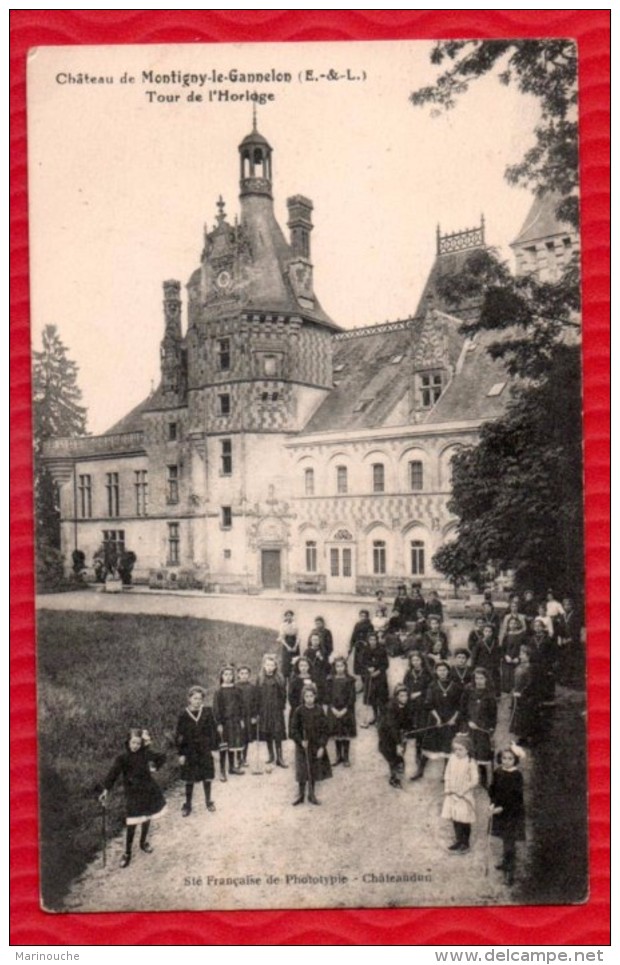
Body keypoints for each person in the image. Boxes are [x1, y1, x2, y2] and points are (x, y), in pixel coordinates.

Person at [99, 728, 166, 868]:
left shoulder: (146, 754)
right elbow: (113, 774)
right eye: (132, 742)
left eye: (138, 743)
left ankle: (143, 842)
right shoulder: (122, 758)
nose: (135, 746)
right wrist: (106, 789)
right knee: (132, 822)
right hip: (133, 794)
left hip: (148, 791)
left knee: (147, 818)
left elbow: (162, 757)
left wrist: (155, 767)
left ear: (141, 743)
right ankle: (127, 852)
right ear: (128, 742)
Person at [175, 685, 218, 815]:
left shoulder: (207, 712)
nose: (197, 701)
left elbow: (213, 731)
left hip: (204, 749)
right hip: (190, 751)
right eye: (195, 698)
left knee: (207, 776)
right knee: (190, 778)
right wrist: (181, 753)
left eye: (200, 698)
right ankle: (187, 804)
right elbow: (179, 736)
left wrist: (214, 748)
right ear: (189, 699)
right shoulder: (183, 714)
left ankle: (208, 801)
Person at [289, 682, 332, 805]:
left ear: (315, 696)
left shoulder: (319, 710)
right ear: (303, 697)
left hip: (315, 745)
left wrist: (322, 746)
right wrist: (300, 741)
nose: (309, 699)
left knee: (313, 769)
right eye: (306, 696)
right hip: (303, 746)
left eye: (311, 696)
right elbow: (293, 729)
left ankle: (311, 794)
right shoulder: (299, 711)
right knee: (302, 770)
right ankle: (301, 794)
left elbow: (325, 730)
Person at [489, 744, 526, 885]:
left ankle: (510, 872)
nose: (506, 761)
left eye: (510, 759)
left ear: (515, 760)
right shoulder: (498, 772)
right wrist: (492, 802)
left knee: (510, 841)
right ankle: (505, 863)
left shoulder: (517, 776)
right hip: (499, 810)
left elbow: (515, 798)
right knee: (505, 839)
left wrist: (502, 808)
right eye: (504, 758)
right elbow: (492, 789)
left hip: (512, 813)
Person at [419, 661, 462, 777]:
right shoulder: (432, 686)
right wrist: (437, 719)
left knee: (448, 745)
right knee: (429, 743)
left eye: (444, 670)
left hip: (450, 720)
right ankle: (420, 770)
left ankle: (446, 772)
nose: (442, 672)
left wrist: (454, 719)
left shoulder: (456, 686)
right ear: (436, 672)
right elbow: (429, 704)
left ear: (448, 671)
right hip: (435, 718)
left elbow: (460, 705)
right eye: (439, 670)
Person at [441, 735, 479, 854]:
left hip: (464, 795)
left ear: (467, 749)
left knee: (464, 819)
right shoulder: (452, 758)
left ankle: (465, 842)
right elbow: (447, 773)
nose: (457, 752)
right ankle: (458, 840)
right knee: (455, 818)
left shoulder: (470, 762)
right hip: (452, 793)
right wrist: (447, 787)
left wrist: (463, 791)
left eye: (460, 749)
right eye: (455, 749)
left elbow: (475, 780)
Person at [461, 667, 497, 788]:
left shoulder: (490, 694)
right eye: (477, 678)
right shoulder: (469, 691)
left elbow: (493, 714)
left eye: (481, 678)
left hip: (483, 728)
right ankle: (469, 777)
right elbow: (463, 708)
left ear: (486, 679)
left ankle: (484, 778)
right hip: (471, 726)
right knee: (470, 750)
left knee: (483, 752)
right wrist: (468, 722)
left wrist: (491, 728)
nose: (479, 680)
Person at [403, 650, 432, 779]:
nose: (416, 662)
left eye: (418, 660)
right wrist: (409, 694)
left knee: (421, 733)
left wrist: (420, 693)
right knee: (410, 732)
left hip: (423, 707)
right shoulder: (409, 674)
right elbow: (404, 688)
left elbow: (431, 688)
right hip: (411, 707)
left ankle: (420, 760)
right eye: (413, 660)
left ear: (422, 661)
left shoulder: (427, 674)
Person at [213, 665, 245, 781]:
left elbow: (241, 705)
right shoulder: (219, 692)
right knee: (224, 746)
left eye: (230, 674)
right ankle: (222, 771)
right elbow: (216, 709)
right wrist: (219, 723)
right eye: (225, 674)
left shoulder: (237, 690)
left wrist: (241, 719)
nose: (228, 677)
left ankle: (232, 767)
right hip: (225, 722)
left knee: (233, 745)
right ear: (221, 676)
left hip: (235, 721)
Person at [378, 684, 413, 789]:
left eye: (406, 696)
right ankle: (394, 779)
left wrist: (407, 731)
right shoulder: (390, 707)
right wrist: (398, 743)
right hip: (387, 735)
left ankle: (398, 772)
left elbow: (407, 720)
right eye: (401, 696)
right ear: (396, 696)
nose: (404, 698)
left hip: (399, 733)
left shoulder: (407, 705)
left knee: (399, 755)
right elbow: (392, 726)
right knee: (393, 756)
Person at [324, 656, 357, 766]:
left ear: (345, 667)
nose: (339, 668)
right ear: (334, 667)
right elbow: (327, 696)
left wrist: (345, 709)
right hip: (334, 709)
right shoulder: (330, 679)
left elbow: (352, 697)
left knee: (345, 733)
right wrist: (333, 708)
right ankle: (338, 756)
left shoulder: (350, 680)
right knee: (336, 732)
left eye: (341, 666)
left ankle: (346, 757)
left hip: (346, 710)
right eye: (337, 666)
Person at [257, 654, 288, 768]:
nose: (270, 667)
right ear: (264, 666)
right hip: (264, 710)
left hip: (276, 710)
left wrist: (281, 706)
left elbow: (283, 695)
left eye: (272, 665)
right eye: (267, 665)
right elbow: (257, 695)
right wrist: (258, 710)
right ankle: (271, 756)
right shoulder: (260, 678)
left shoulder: (279, 678)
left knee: (277, 733)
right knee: (268, 732)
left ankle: (280, 758)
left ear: (275, 666)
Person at [360, 631, 389, 726]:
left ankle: (382, 718)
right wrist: (368, 668)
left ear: (377, 640)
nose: (373, 641)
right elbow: (362, 663)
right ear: (368, 640)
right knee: (372, 699)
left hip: (380, 678)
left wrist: (378, 671)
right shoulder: (365, 650)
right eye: (371, 639)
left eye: (374, 639)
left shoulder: (382, 650)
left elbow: (386, 664)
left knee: (381, 699)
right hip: (370, 678)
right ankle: (375, 716)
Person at [510, 644, 536, 745]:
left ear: (528, 656)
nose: (520, 656)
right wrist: (513, 690)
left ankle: (525, 737)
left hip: (525, 697)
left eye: (523, 654)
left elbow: (530, 683)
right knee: (518, 715)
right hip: (516, 694)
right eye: (520, 654)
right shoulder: (519, 666)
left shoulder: (529, 668)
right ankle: (520, 736)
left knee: (525, 716)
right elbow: (515, 680)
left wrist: (522, 693)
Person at [470, 623, 502, 696]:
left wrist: (497, 664)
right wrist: (473, 666)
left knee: (494, 680)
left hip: (493, 665)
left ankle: (495, 695)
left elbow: (497, 654)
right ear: (483, 632)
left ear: (493, 632)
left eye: (490, 631)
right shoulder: (479, 642)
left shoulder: (495, 642)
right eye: (486, 631)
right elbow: (474, 655)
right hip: (482, 665)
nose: (487, 633)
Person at [236, 666, 259, 767]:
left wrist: (254, 715)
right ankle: (238, 758)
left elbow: (255, 702)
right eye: (242, 673)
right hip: (238, 716)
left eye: (246, 673)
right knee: (238, 737)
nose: (244, 675)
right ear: (238, 675)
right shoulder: (235, 687)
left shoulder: (252, 687)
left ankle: (244, 758)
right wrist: (238, 717)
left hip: (249, 715)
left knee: (246, 738)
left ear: (249, 675)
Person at [500, 616, 526, 694]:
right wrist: (505, 656)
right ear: (508, 625)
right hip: (507, 660)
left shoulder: (521, 635)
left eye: (515, 623)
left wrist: (518, 658)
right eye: (511, 623)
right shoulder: (506, 635)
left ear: (518, 624)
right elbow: (502, 649)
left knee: (516, 679)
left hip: (517, 660)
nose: (513, 625)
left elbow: (524, 648)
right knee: (506, 679)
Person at [304, 630, 329, 701]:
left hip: (320, 675)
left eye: (317, 639)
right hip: (310, 674)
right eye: (313, 639)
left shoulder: (323, 651)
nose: (315, 641)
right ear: (310, 640)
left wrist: (321, 657)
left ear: (319, 641)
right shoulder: (307, 651)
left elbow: (327, 666)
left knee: (320, 694)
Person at [348, 608, 374, 676]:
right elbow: (354, 635)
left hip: (365, 647)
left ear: (367, 617)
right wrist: (351, 646)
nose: (362, 617)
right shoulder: (357, 624)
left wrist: (367, 643)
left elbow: (370, 636)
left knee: (364, 664)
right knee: (358, 666)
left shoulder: (370, 625)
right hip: (358, 646)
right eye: (361, 616)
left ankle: (365, 682)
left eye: (364, 616)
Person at [277, 610, 300, 683]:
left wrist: (295, 646)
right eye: (287, 615)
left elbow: (298, 636)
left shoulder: (295, 625)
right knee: (286, 663)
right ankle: (285, 681)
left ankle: (294, 680)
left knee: (295, 662)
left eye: (290, 615)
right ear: (285, 617)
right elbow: (282, 638)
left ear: (292, 616)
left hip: (294, 643)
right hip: (286, 643)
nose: (289, 617)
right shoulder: (283, 625)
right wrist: (287, 647)